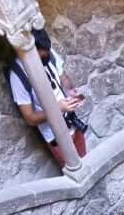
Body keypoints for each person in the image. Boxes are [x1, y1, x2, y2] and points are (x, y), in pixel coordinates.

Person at [7, 28, 87, 167]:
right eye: (42, 58)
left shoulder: (46, 52)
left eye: (47, 55)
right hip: (56, 136)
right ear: (29, 53)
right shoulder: (17, 76)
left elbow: (62, 77)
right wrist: (57, 109)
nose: (46, 58)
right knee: (75, 170)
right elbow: (30, 118)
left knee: (87, 161)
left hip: (72, 121)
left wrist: (71, 91)